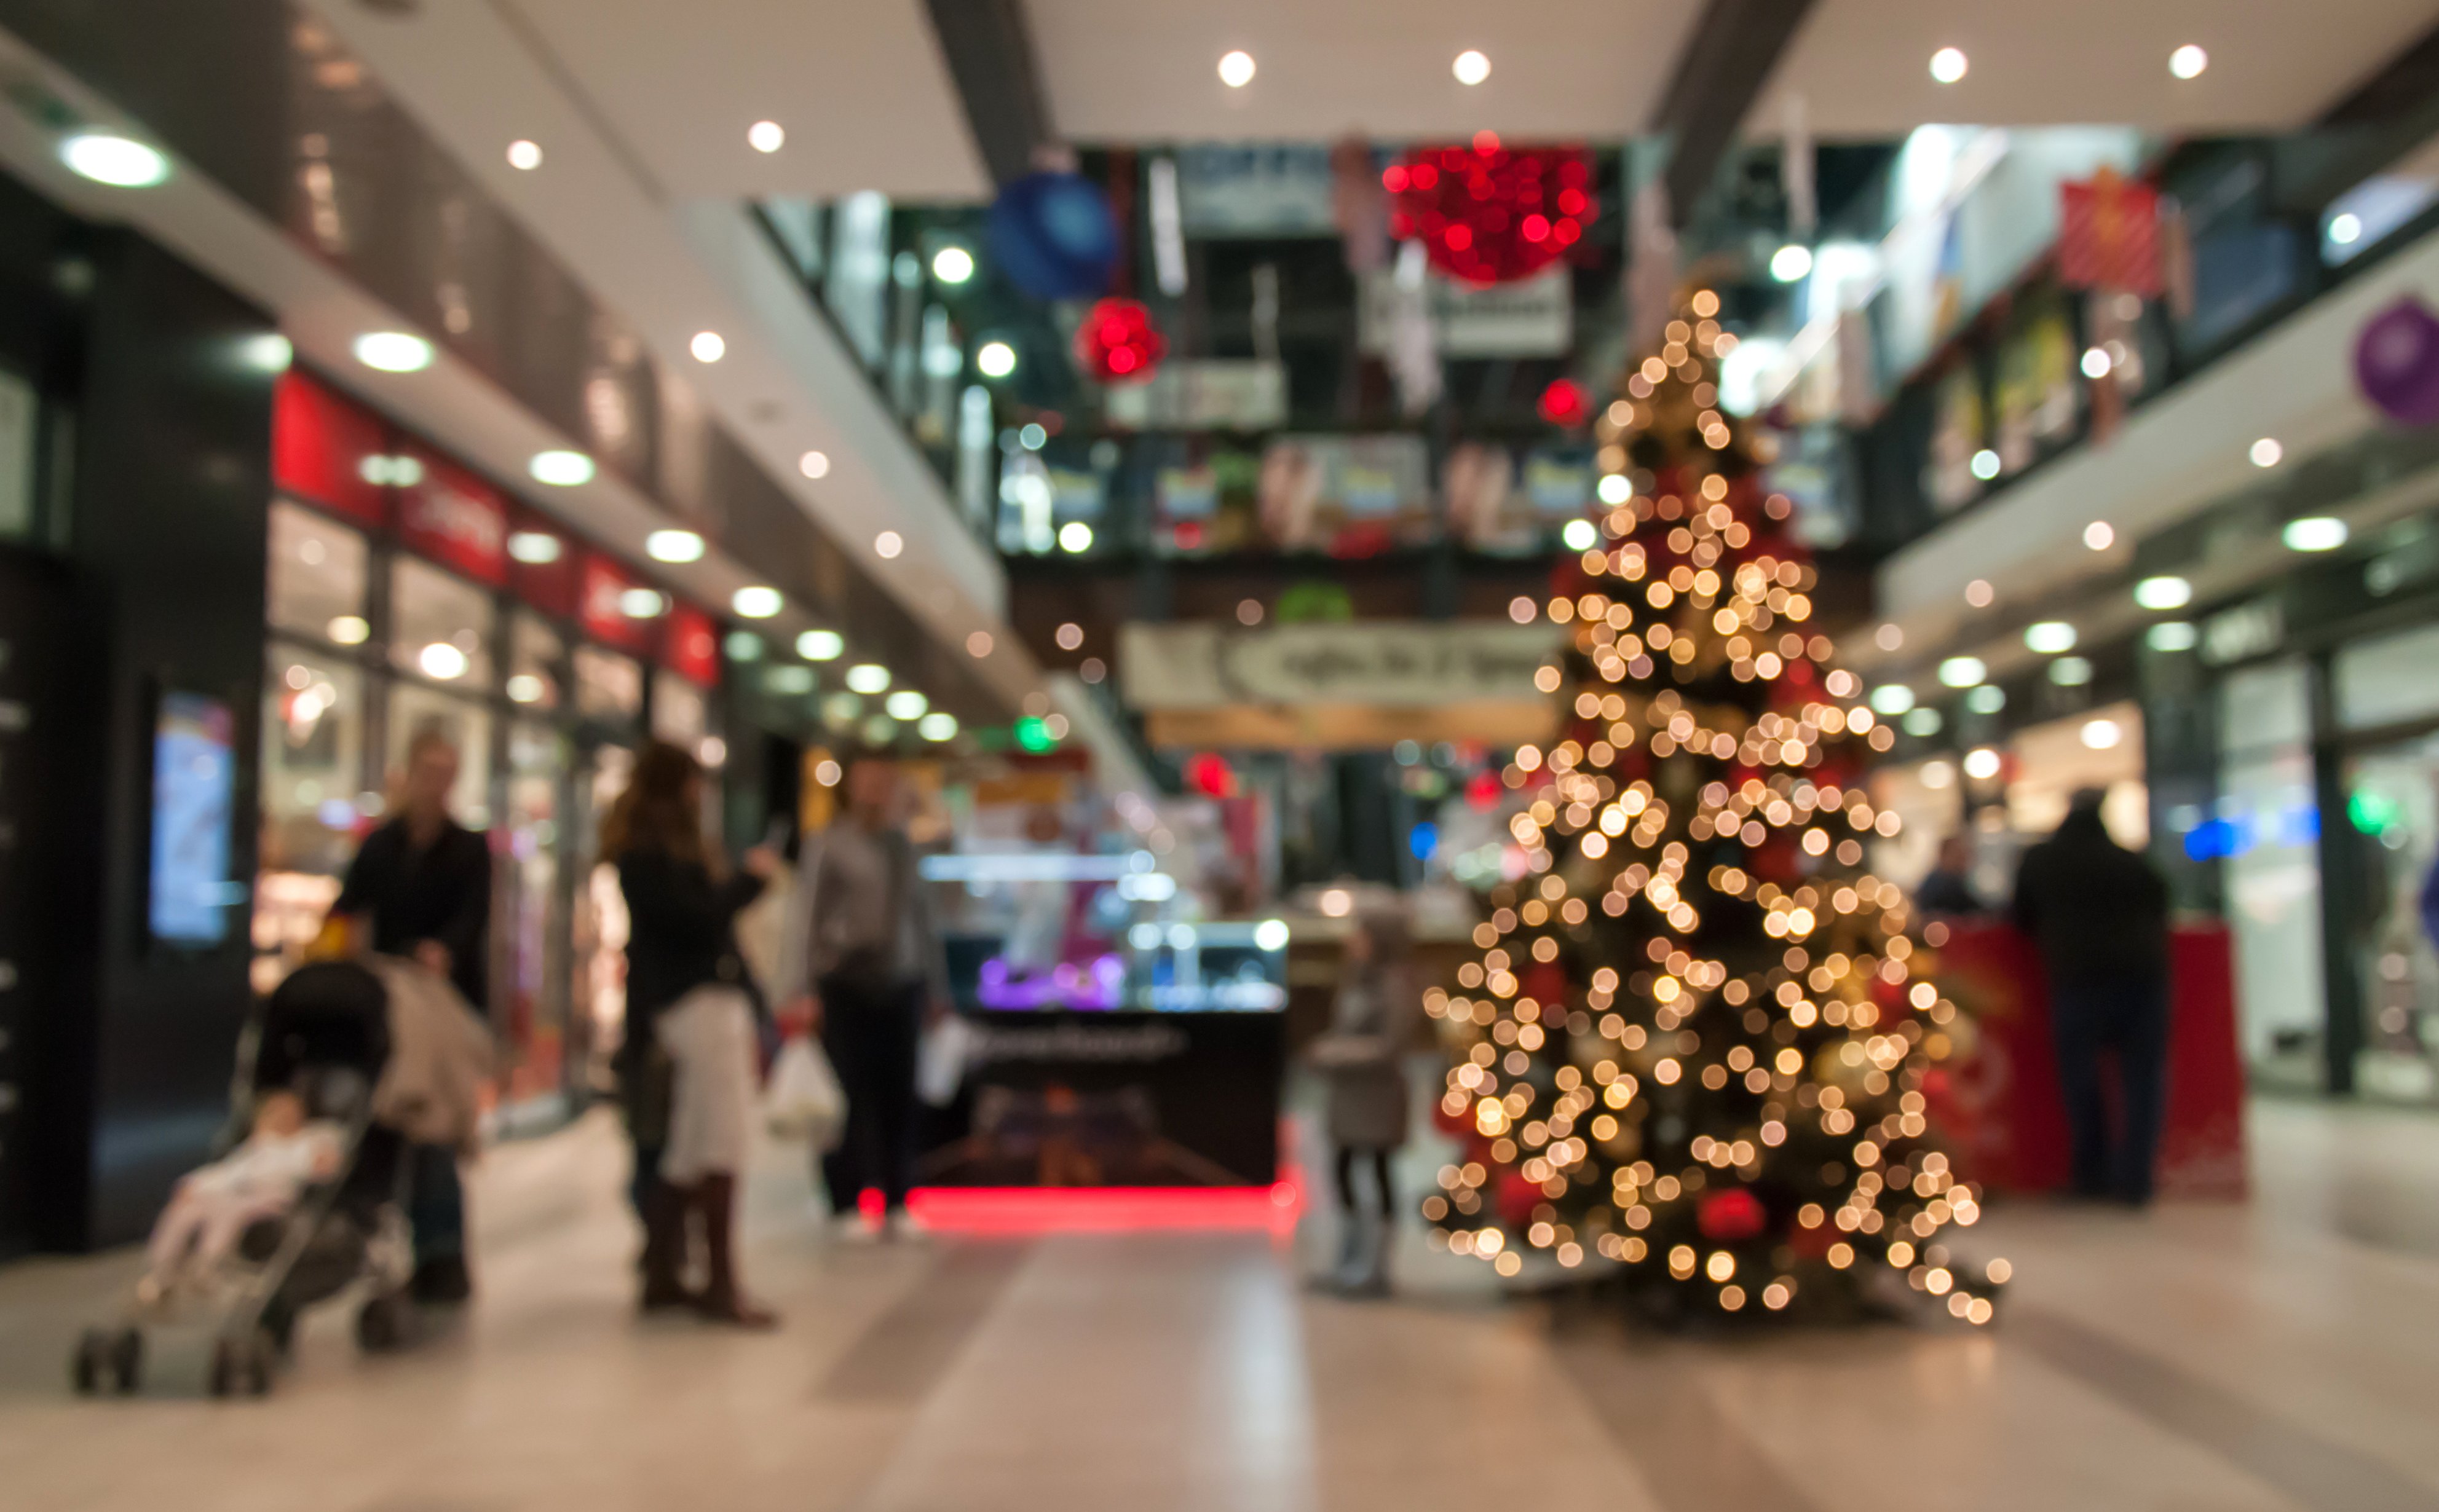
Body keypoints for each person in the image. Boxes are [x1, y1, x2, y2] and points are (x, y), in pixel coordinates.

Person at [603, 742, 780, 1328]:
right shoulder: (649, 855)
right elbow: (697, 922)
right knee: (719, 1140)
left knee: (688, 1143)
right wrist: (749, 884)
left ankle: (664, 1270)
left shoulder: (662, 851)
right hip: (693, 1009)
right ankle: (718, 1281)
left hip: (698, 1004)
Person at [330, 729, 490, 1302]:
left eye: (448, 772)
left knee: (431, 1117)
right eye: (429, 770)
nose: (436, 783)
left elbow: (471, 922)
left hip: (437, 1005)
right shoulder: (382, 846)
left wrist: (441, 953)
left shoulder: (469, 850)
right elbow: (348, 908)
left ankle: (442, 1251)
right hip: (382, 998)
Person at [781, 755, 949, 1239]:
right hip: (846, 983)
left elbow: (924, 919)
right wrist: (802, 988)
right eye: (869, 779)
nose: (877, 789)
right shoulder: (830, 844)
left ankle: (899, 1197)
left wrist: (936, 988)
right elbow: (806, 919)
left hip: (902, 982)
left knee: (899, 1094)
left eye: (885, 779)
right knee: (847, 1096)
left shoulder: (904, 845)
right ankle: (846, 1199)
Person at [2011, 788, 2172, 1205]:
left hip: (2079, 981)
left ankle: (2091, 1175)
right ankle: (2136, 1180)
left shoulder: (2042, 861)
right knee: (2142, 1081)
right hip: (2143, 978)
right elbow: (2161, 904)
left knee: (2080, 1081)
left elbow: (2019, 918)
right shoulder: (2129, 861)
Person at [1305, 904, 1420, 1296]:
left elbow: (1391, 1046)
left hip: (1378, 1097)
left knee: (1378, 1171)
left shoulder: (1394, 984)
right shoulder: (1357, 981)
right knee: (1343, 1170)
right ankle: (1348, 1260)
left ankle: (1376, 1266)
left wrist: (1335, 1054)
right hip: (1350, 1097)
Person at [138, 1090, 343, 1304]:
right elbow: (231, 1171)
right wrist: (194, 1184)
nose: (282, 1116)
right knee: (185, 1208)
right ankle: (159, 1274)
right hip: (236, 1190)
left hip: (271, 1197)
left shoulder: (315, 1137)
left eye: (288, 1110)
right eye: (275, 1111)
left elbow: (326, 1167)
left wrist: (311, 1158)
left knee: (227, 1208)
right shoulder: (262, 1142)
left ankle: (206, 1268)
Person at [1916, 833, 1986, 917]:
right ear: (1944, 855)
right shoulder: (1937, 885)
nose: (1963, 860)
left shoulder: (1957, 882)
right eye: (1958, 855)